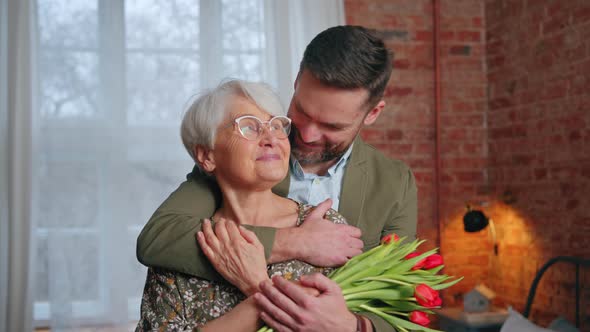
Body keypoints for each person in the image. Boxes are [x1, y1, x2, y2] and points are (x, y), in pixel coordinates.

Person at [137, 25, 417, 331]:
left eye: (331, 126)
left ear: (373, 113)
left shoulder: (394, 183)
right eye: (302, 111)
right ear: (297, 83)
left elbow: (398, 302)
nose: (307, 135)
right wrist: (293, 241)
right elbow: (158, 238)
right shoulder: (241, 161)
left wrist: (352, 327)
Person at [137, 80, 356, 331]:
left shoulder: (328, 230)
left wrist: (258, 289)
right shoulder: (177, 250)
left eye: (276, 125)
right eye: (249, 127)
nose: (270, 138)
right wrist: (263, 293)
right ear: (207, 156)